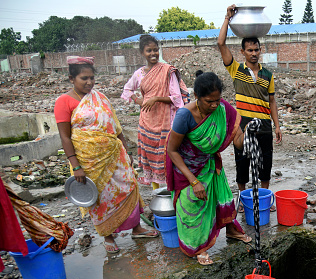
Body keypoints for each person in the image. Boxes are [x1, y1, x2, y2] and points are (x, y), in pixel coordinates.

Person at [56, 56, 158, 254]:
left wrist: (125, 149)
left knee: (128, 188)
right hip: (88, 161)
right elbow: (65, 137)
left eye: (92, 78)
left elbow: (115, 124)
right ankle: (108, 236)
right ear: (71, 79)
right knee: (101, 198)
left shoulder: (100, 97)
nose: (89, 82)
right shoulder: (63, 102)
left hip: (114, 154)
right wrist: (76, 166)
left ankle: (136, 228)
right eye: (84, 78)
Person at [166, 71, 252, 265]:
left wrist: (249, 136)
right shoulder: (184, 115)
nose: (214, 105)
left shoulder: (223, 109)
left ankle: (230, 229)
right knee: (193, 207)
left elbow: (238, 142)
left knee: (223, 198)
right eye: (209, 101)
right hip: (186, 168)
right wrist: (194, 181)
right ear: (196, 96)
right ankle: (197, 247)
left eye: (217, 100)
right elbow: (172, 150)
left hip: (209, 163)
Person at [217, 4, 282, 212]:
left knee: (265, 163)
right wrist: (227, 18)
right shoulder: (236, 70)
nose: (254, 53)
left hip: (264, 124)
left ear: (260, 50)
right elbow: (220, 43)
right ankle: (244, 199)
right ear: (243, 52)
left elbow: (272, 101)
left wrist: (277, 126)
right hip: (243, 124)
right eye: (250, 50)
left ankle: (264, 197)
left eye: (256, 50)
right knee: (242, 161)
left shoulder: (268, 75)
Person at [121, 35, 189, 190]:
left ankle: (172, 193)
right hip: (146, 123)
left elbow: (177, 98)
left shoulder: (167, 71)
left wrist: (156, 98)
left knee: (167, 157)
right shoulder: (139, 74)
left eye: (155, 50)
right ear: (142, 53)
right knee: (151, 158)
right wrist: (139, 101)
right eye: (148, 50)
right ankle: (157, 194)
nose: (153, 53)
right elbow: (127, 89)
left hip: (166, 122)